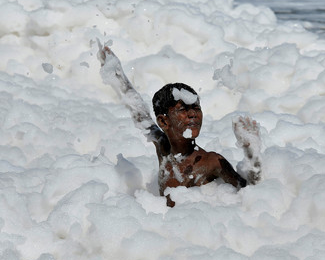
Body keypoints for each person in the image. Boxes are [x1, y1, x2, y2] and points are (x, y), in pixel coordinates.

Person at [98, 42, 261, 207]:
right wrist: (116, 73)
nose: (193, 114)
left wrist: (251, 153)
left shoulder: (212, 162)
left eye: (196, 108)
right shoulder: (163, 149)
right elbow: (140, 113)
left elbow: (249, 195)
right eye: (183, 109)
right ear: (163, 121)